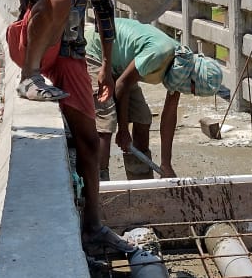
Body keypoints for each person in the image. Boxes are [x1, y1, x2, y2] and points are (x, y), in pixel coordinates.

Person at [5, 0, 134, 255]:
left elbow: (104, 10)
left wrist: (106, 64)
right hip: (33, 44)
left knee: (90, 142)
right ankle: (29, 78)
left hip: (70, 53)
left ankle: (93, 226)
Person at [84, 18, 223, 179]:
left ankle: (141, 182)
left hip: (122, 68)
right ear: (193, 78)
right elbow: (122, 85)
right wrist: (123, 129)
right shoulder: (161, 54)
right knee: (106, 122)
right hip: (97, 51)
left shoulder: (181, 69)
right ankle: (99, 184)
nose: (190, 93)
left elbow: (169, 116)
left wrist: (166, 163)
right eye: (193, 90)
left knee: (143, 119)